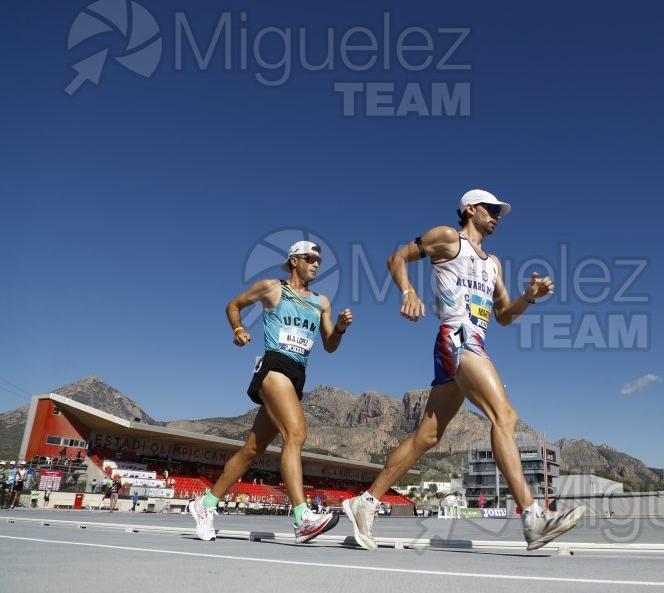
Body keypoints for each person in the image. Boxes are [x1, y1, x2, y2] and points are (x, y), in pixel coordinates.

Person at [342, 189, 586, 551]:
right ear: (470, 209)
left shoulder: (493, 264)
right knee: (504, 415)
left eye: (500, 212)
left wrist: (529, 296)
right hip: (457, 335)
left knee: (427, 437)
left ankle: (367, 502)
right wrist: (408, 291)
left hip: (474, 341)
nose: (497, 216)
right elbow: (397, 258)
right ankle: (533, 515)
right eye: (491, 209)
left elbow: (503, 316)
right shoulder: (447, 238)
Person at [190, 240, 352, 544]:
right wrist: (238, 329)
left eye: (319, 259)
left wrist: (341, 328)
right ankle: (302, 517)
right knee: (296, 434)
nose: (317, 263)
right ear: (294, 261)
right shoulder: (271, 288)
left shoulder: (322, 302)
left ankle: (206, 504)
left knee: (253, 449)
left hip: (297, 375)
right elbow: (233, 305)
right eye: (310, 258)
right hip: (273, 367)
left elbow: (329, 346)